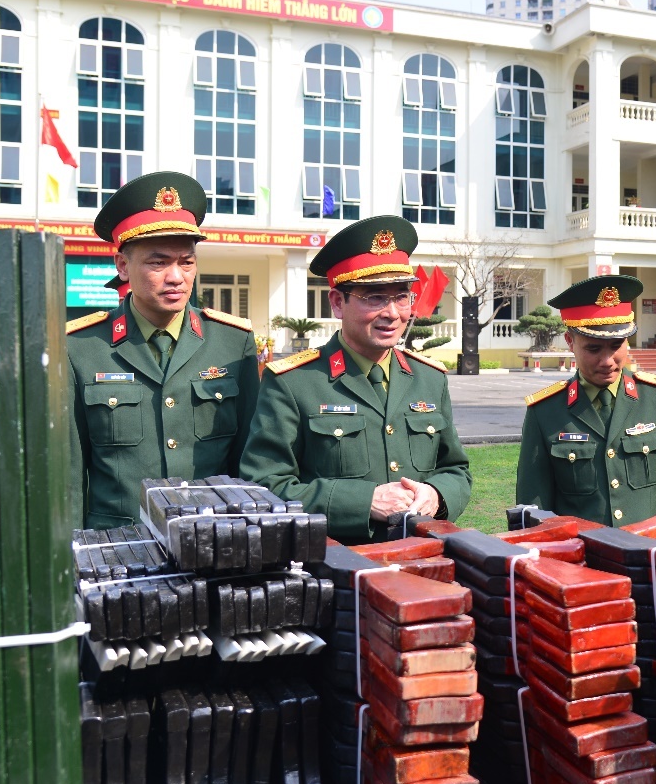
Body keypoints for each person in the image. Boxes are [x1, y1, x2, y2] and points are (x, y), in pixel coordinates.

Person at [240, 216, 470, 545]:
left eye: (402, 296)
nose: (392, 313)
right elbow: (265, 485)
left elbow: (456, 470)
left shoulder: (429, 378)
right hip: (337, 563)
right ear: (338, 302)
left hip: (424, 557)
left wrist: (436, 494)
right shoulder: (294, 382)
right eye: (374, 297)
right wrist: (363, 502)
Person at [67, 172, 260, 529]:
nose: (176, 277)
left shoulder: (233, 342)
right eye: (158, 263)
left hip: (214, 536)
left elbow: (248, 460)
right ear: (123, 266)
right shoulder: (81, 348)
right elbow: (71, 472)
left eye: (186, 261)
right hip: (119, 543)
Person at [516, 275, 656, 525]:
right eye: (593, 349)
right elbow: (534, 509)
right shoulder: (545, 411)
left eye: (616, 346)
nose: (607, 361)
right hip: (581, 549)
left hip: (649, 547)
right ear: (570, 341)